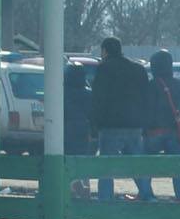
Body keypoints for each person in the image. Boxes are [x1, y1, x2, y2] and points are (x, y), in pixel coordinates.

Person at [91, 37, 153, 203]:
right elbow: (146, 98)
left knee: (106, 167)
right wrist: (144, 123)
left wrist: (95, 125)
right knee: (137, 165)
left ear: (105, 51)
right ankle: (148, 197)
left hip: (110, 126)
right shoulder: (138, 69)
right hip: (134, 125)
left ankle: (105, 203)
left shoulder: (104, 69)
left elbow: (98, 99)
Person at [142, 50, 180, 201]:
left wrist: (144, 129)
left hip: (154, 132)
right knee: (176, 168)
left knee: (146, 165)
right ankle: (179, 196)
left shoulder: (151, 85)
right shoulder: (179, 85)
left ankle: (147, 195)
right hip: (174, 132)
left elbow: (148, 109)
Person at [63, 61, 94, 200]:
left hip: (65, 130)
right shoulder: (88, 94)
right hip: (83, 130)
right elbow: (93, 114)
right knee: (82, 162)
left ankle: (71, 188)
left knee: (65, 161)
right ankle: (84, 188)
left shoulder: (61, 93)